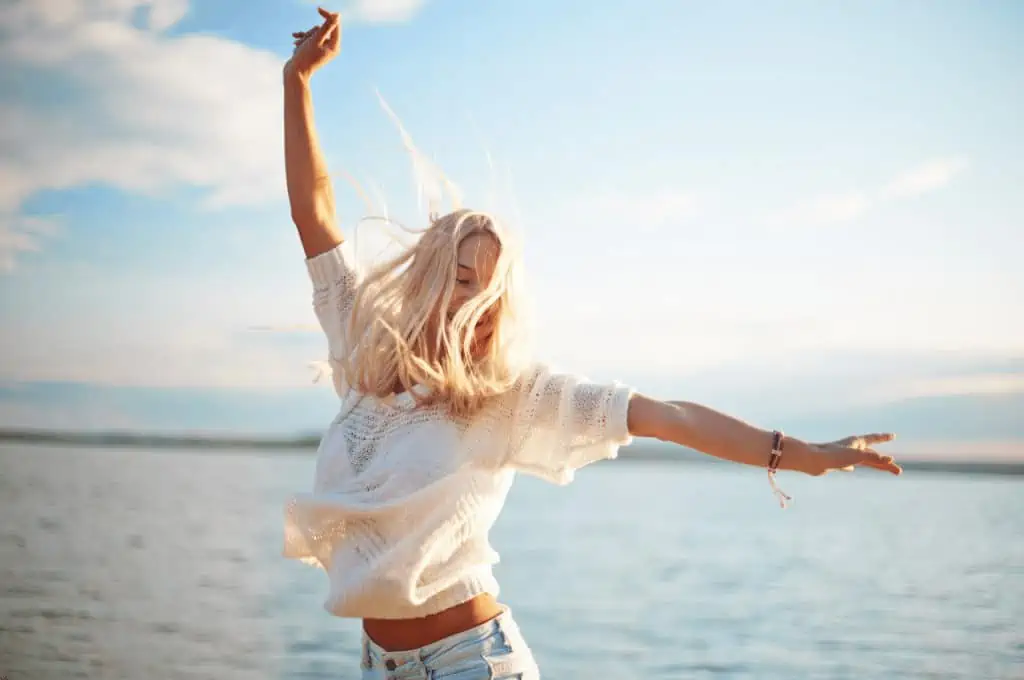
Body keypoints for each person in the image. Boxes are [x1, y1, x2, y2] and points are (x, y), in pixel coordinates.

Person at [281, 8, 903, 679]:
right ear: (432, 277)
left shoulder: (512, 394)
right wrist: (299, 83)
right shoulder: (363, 346)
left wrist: (798, 454)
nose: (473, 305)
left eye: (489, 294)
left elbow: (668, 415)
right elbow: (314, 213)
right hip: (378, 664)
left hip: (469, 662)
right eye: (461, 280)